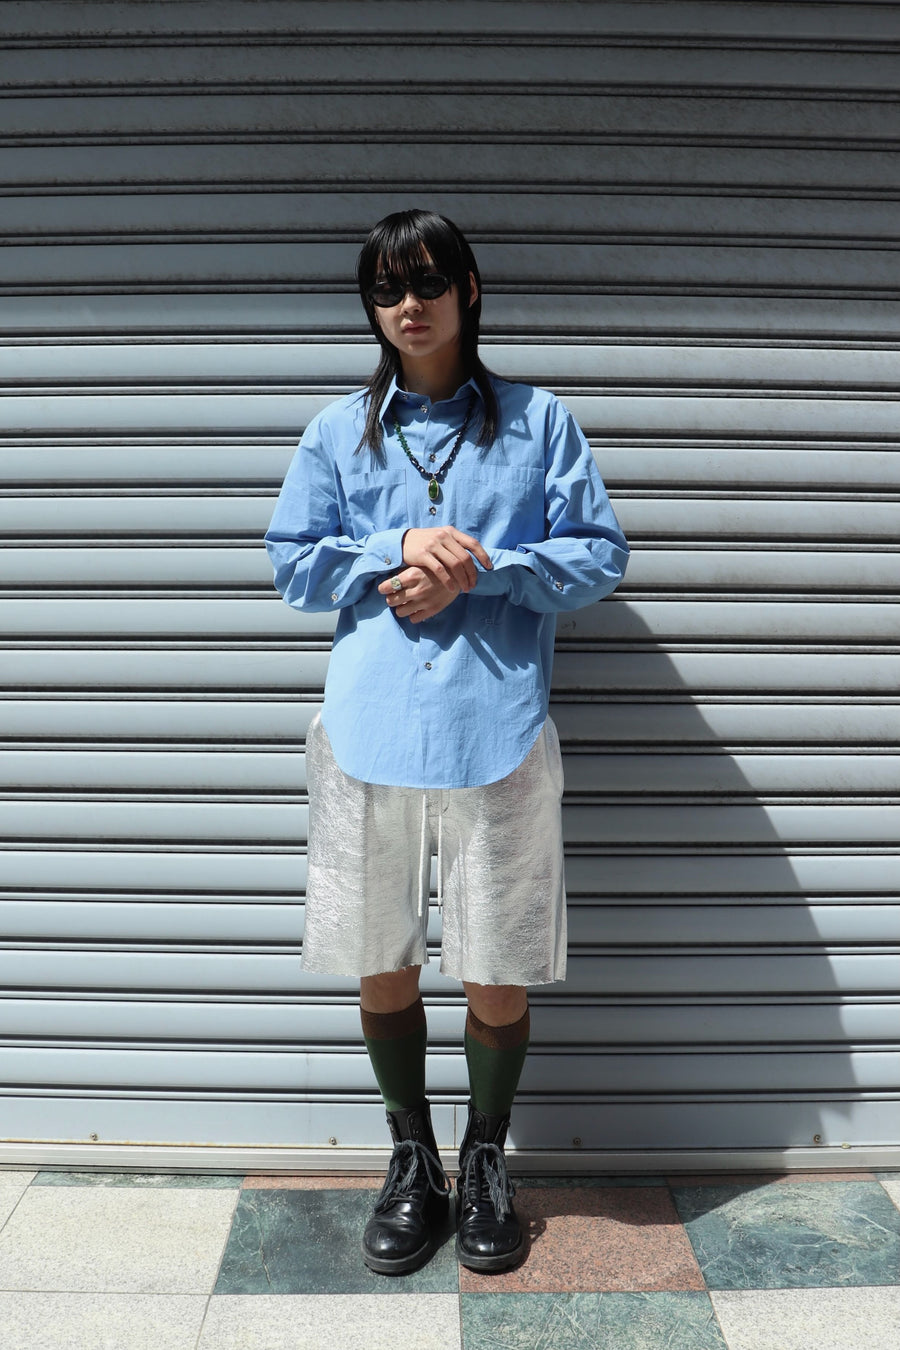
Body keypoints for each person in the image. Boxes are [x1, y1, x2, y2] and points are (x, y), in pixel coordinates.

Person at [265, 209, 628, 1275]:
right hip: (366, 731)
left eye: (428, 282)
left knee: (497, 965)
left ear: (470, 289)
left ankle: (485, 1162)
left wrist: (485, 568)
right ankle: (412, 1161)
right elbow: (292, 565)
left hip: (496, 726)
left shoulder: (540, 423)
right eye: (386, 290)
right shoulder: (339, 433)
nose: (408, 305)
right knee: (380, 957)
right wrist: (398, 545)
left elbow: (599, 553)